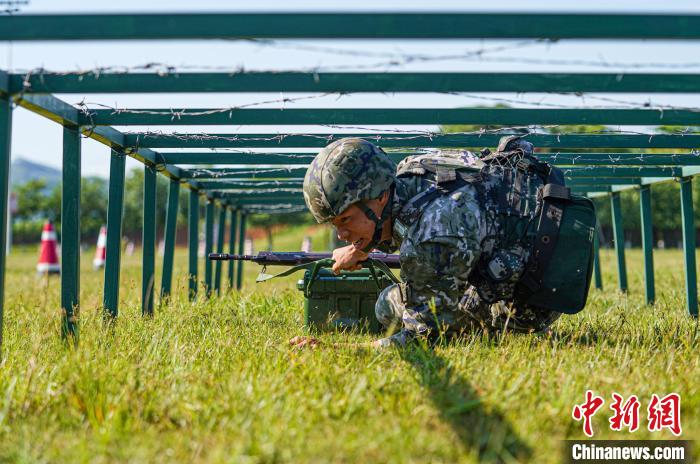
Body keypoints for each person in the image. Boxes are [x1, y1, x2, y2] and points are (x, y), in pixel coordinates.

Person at [291, 136, 566, 349]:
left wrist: (340, 349)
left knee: (387, 304)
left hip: (527, 301)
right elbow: (396, 222)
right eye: (335, 224)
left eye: (345, 220)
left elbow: (427, 337)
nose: (341, 234)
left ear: (379, 198)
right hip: (520, 258)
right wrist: (359, 246)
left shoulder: (431, 236)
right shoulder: (410, 175)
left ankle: (515, 323)